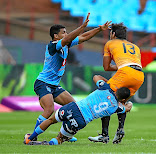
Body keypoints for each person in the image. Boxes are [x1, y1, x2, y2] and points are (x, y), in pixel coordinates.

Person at [29, 12, 111, 142]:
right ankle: (32, 137)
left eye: (67, 32)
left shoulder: (66, 44)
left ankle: (65, 135)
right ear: (56, 36)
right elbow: (71, 38)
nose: (66, 35)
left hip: (54, 85)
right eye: (64, 32)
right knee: (49, 109)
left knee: (73, 107)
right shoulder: (53, 46)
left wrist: (99, 29)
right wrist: (82, 26)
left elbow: (84, 37)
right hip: (43, 83)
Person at [24, 75, 132, 145]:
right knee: (60, 138)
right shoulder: (116, 108)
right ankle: (49, 143)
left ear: (117, 89)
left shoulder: (105, 88)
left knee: (51, 120)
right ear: (122, 99)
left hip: (74, 107)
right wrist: (128, 104)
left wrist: (108, 83)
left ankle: (30, 138)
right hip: (82, 120)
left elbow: (96, 77)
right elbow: (126, 108)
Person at [88, 23, 144, 144]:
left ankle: (104, 135)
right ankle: (120, 129)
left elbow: (106, 67)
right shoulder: (135, 46)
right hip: (139, 75)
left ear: (113, 34)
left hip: (125, 72)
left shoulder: (110, 43)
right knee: (121, 101)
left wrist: (119, 67)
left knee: (104, 95)